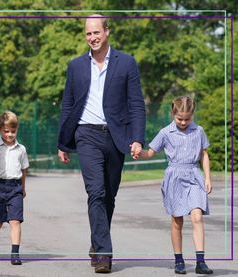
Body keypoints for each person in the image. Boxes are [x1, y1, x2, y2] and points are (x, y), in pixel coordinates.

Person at [57, 15, 146, 273]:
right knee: (95, 191)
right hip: (86, 135)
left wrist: (137, 138)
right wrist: (63, 142)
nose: (92, 38)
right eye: (88, 34)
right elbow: (68, 105)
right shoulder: (76, 66)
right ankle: (105, 255)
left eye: (96, 33)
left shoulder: (126, 63)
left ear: (107, 31)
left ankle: (97, 243)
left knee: (109, 195)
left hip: (117, 137)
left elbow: (136, 104)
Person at [133, 96, 213, 275]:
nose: (183, 122)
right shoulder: (165, 132)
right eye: (180, 118)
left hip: (194, 176)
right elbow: (151, 152)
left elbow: (204, 155)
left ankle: (201, 262)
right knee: (177, 220)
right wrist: (140, 152)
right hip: (174, 177)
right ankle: (179, 260)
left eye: (187, 118)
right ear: (173, 114)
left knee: (197, 216)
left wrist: (207, 177)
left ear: (192, 115)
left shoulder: (198, 131)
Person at [0, 111, 29, 265]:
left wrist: (23, 188)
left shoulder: (21, 149)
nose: (10, 134)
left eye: (13, 131)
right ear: (0, 129)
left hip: (15, 188)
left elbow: (23, 170)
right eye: (6, 131)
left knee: (15, 221)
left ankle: (15, 253)